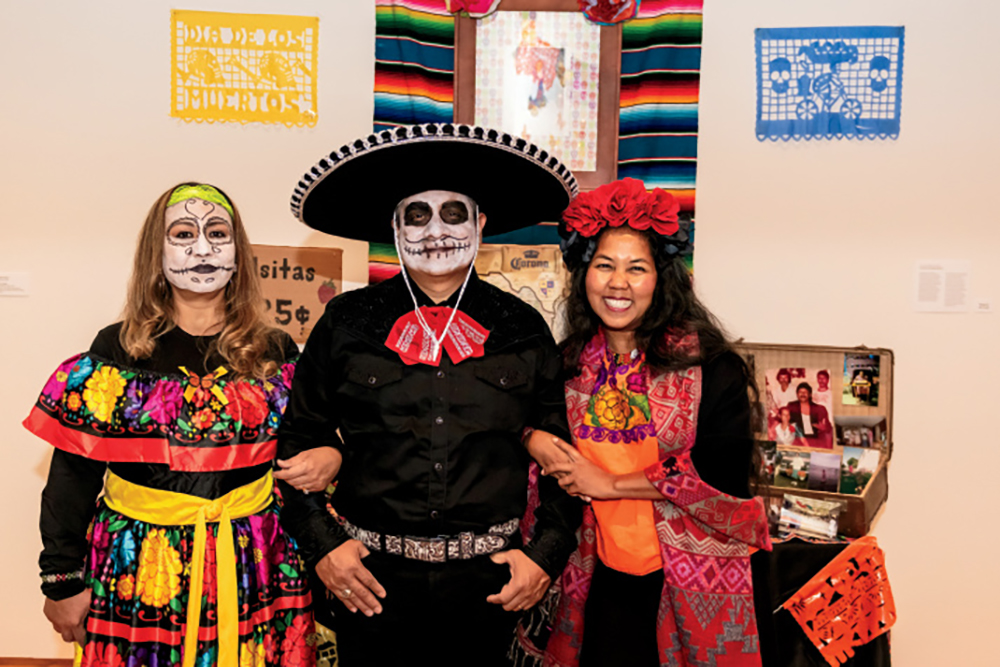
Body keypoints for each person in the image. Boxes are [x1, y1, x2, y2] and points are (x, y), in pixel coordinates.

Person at [277, 123, 583, 666]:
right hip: (370, 581)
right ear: (394, 228)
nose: (436, 230)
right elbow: (299, 442)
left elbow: (564, 462)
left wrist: (545, 557)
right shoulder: (347, 323)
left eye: (453, 213)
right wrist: (323, 547)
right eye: (416, 215)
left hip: (489, 586)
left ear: (481, 224)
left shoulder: (523, 328)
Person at [26, 183, 331, 667]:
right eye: (184, 232)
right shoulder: (117, 351)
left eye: (217, 232)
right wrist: (61, 578)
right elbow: (72, 476)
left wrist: (331, 454)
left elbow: (305, 445)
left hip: (255, 563)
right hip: (141, 566)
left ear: (238, 253)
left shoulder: (275, 351)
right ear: (157, 251)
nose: (203, 247)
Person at [520, 178, 772, 666]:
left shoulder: (710, 366)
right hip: (595, 582)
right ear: (583, 275)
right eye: (604, 266)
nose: (619, 283)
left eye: (637, 268)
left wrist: (609, 483)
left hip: (691, 580)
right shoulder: (567, 365)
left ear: (662, 278)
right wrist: (532, 438)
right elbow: (526, 424)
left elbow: (720, 469)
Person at [787, 381, 833, 448]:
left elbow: (828, 427)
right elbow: (782, 417)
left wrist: (824, 428)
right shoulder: (792, 406)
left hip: (815, 438)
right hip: (799, 439)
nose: (802, 394)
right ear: (797, 394)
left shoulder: (819, 409)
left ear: (810, 395)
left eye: (805, 392)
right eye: (800, 392)